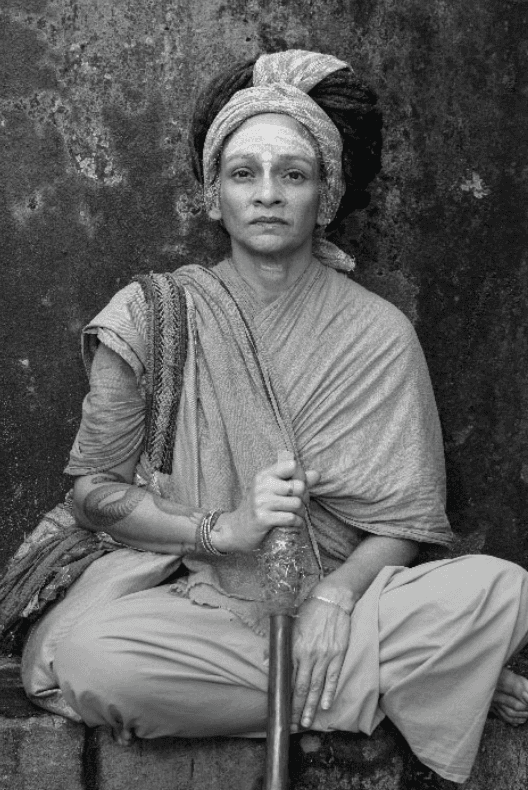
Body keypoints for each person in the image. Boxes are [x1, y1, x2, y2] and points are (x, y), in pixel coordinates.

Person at [19, 49, 528, 784]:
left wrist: (332, 598)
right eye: (243, 173)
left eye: (292, 174)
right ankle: (404, 687)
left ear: (325, 195)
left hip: (343, 603)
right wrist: (223, 530)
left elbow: (405, 523)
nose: (266, 194)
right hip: (192, 599)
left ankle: (389, 674)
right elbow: (93, 494)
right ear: (211, 194)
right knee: (90, 657)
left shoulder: (378, 333)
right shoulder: (154, 315)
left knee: (499, 590)